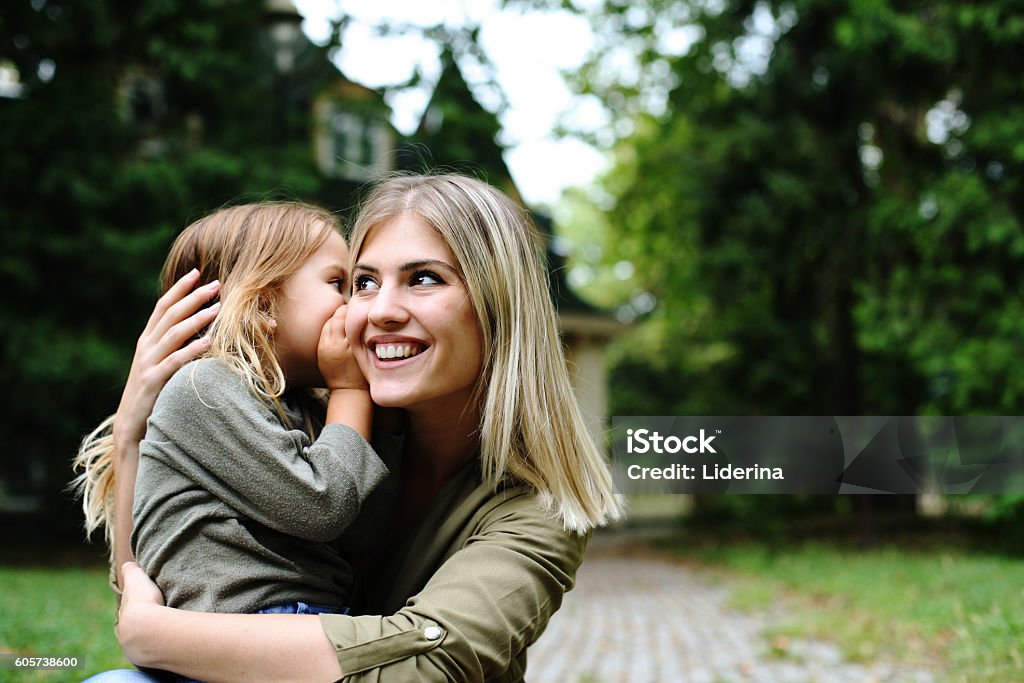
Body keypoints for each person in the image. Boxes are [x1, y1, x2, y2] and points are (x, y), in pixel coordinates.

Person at [82, 174, 624, 682]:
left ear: (499, 308)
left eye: (424, 278)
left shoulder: (541, 507)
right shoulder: (317, 418)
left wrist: (159, 636)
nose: (377, 310)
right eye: (362, 282)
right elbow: (157, 577)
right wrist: (132, 433)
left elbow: (430, 664)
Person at [72, 202, 390, 620]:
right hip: (267, 623)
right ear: (262, 304)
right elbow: (323, 506)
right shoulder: (205, 387)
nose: (355, 305)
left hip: (303, 622)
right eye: (338, 283)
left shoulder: (306, 408)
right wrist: (350, 388)